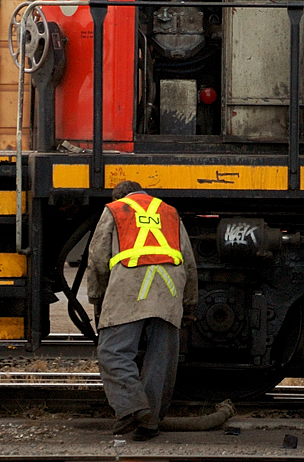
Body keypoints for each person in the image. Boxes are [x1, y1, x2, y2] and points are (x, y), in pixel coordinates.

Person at [87, 180, 198, 441]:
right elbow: (189, 261)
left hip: (131, 286)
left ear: (120, 196)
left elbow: (97, 258)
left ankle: (132, 408)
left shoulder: (115, 209)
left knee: (112, 351)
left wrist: (98, 299)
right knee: (161, 357)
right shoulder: (169, 211)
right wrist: (189, 303)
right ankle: (149, 421)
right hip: (170, 289)